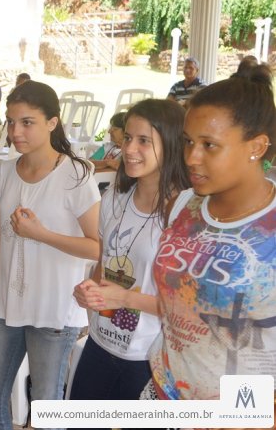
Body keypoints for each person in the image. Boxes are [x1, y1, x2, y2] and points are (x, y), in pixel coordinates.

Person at [0, 80, 101, 430]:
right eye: (12, 122)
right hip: (6, 307)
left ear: (52, 123)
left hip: (54, 311)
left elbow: (97, 246)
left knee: (46, 408)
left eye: (27, 122)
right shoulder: (4, 171)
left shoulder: (76, 175)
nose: (15, 132)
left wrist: (41, 234)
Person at [146, 66, 276, 401]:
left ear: (257, 146)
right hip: (162, 394)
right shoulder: (182, 205)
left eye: (209, 145)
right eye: (188, 141)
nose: (191, 157)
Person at [70, 99, 190, 411]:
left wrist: (123, 298)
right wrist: (90, 292)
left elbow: (187, 309)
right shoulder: (114, 197)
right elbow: (104, 263)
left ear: (171, 144)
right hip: (100, 342)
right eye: (127, 138)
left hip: (149, 357)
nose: (129, 149)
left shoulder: (183, 215)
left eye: (144, 140)